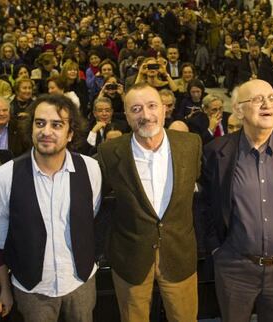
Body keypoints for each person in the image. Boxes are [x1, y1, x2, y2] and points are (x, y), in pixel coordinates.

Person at [201, 79, 273, 322]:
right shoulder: (216, 152)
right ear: (238, 110)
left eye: (272, 97)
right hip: (235, 268)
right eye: (257, 99)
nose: (268, 104)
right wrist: (217, 250)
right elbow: (207, 206)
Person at [97, 83, 201, 322]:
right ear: (126, 115)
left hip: (179, 254)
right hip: (130, 259)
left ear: (164, 109)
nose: (145, 115)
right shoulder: (109, 152)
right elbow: (97, 203)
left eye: (152, 106)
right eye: (136, 109)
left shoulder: (191, 145)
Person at [0, 94, 102, 322]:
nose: (46, 131)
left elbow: (90, 216)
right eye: (40, 123)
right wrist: (4, 288)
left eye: (57, 125)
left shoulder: (91, 169)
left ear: (70, 133)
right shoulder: (6, 175)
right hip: (32, 290)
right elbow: (0, 238)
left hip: (80, 283)